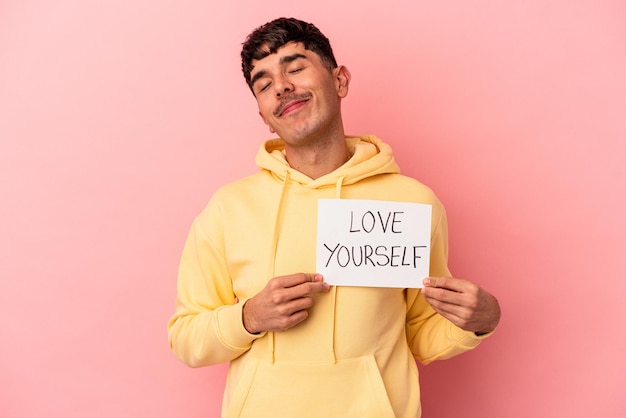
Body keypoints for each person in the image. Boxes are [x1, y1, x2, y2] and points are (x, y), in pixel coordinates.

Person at [168, 17, 501, 418]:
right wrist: (249, 317)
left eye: (295, 68)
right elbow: (185, 338)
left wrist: (478, 322)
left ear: (340, 81)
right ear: (262, 112)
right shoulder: (227, 208)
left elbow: (418, 333)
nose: (282, 86)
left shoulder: (413, 202)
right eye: (264, 83)